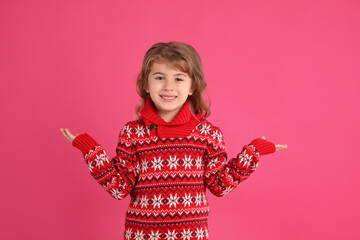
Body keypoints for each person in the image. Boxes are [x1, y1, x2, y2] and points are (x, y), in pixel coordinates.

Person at [60, 41, 287, 240]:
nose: (168, 86)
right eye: (160, 78)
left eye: (178, 78)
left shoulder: (208, 134)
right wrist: (90, 149)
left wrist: (253, 152)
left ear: (192, 87)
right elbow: (119, 188)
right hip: (141, 235)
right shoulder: (132, 134)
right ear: (147, 85)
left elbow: (220, 185)